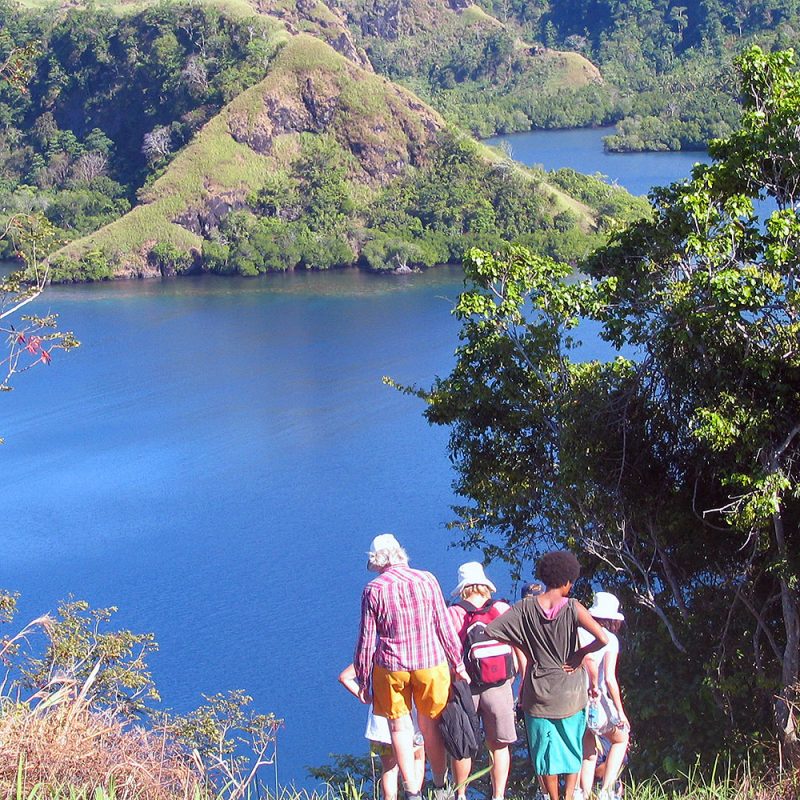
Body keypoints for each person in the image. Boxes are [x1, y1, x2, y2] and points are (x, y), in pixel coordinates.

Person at [484, 551, 609, 800]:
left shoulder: (525, 607)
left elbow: (491, 629)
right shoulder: (573, 607)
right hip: (571, 691)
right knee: (572, 746)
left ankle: (553, 797)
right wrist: (580, 654)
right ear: (566, 581)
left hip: (538, 691)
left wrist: (523, 643)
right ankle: (570, 796)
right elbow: (602, 638)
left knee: (544, 751)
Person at [353, 534, 470, 800]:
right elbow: (443, 625)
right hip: (430, 663)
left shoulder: (373, 589)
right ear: (400, 554)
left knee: (399, 728)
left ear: (376, 561)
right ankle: (440, 787)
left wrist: (362, 678)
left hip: (391, 667)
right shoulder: (427, 579)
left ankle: (412, 790)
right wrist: (458, 663)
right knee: (430, 726)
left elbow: (366, 640)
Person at [447, 562, 520, 800]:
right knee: (499, 745)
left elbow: (449, 652)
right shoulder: (501, 608)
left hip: (466, 687)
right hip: (499, 685)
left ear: (462, 588)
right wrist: (515, 674)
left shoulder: (455, 613)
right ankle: (498, 796)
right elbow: (517, 643)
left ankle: (460, 795)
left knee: (463, 745)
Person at [339, 663, 426, 800]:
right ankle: (414, 796)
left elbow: (344, 677)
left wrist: (365, 696)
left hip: (379, 724)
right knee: (417, 759)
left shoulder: (374, 653)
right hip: (409, 719)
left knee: (389, 769)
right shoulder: (410, 649)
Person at [578, 592, 630, 800]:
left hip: (575, 702)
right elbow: (609, 679)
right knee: (621, 738)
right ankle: (607, 791)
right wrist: (620, 712)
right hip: (597, 701)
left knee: (588, 752)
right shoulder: (610, 640)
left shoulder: (579, 634)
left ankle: (583, 792)